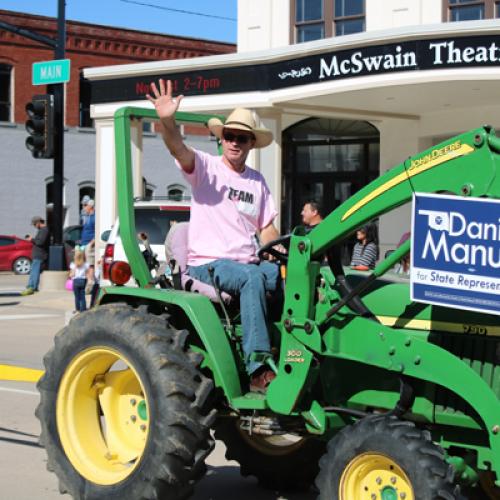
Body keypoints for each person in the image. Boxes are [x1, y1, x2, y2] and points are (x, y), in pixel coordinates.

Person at [147, 78, 280, 393]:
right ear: (222, 139)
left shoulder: (257, 181)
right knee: (252, 278)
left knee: (281, 275)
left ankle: (286, 351)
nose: (235, 142)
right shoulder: (205, 167)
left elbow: (267, 229)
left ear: (250, 144)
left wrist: (285, 257)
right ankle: (257, 367)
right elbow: (177, 147)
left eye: (242, 138)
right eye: (230, 136)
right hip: (210, 264)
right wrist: (167, 121)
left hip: (247, 263)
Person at [21, 216, 50, 296]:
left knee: (34, 272)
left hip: (40, 255)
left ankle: (32, 287)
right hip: (38, 255)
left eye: (34, 224)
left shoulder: (44, 230)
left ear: (38, 223)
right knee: (34, 271)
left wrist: (31, 239)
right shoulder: (42, 230)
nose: (34, 226)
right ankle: (32, 286)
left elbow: (40, 242)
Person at [79, 198, 95, 266]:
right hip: (83, 244)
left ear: (90, 206)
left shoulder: (95, 217)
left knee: (89, 265)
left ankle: (90, 277)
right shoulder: (87, 217)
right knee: (83, 265)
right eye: (83, 205)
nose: (83, 207)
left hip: (89, 245)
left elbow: (97, 231)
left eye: (85, 205)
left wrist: (91, 243)